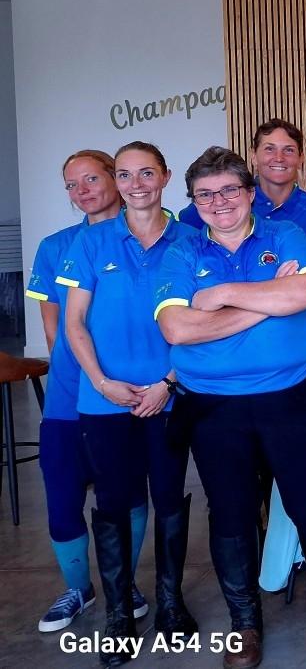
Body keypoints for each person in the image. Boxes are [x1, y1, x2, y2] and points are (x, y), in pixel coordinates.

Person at [156, 147, 306, 668]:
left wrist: (224, 296)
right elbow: (177, 328)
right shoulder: (182, 252)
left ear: (250, 193)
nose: (219, 202)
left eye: (230, 190)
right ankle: (244, 625)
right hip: (212, 409)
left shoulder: (284, 234)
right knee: (230, 515)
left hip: (289, 400)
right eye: (205, 195)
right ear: (194, 203)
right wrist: (268, 296)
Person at [59, 142, 200, 665]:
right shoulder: (92, 242)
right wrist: (100, 382)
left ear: (164, 176)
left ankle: (170, 604)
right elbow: (74, 322)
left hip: (170, 393)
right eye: (124, 174)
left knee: (169, 498)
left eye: (147, 172)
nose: (136, 183)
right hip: (106, 400)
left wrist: (168, 381)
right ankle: (118, 614)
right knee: (114, 504)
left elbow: (202, 322)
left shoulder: (192, 237)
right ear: (115, 181)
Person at [25, 150, 148, 635]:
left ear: (116, 180)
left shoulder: (148, 235)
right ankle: (78, 587)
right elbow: (57, 333)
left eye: (91, 179)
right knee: (61, 495)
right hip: (71, 396)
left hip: (133, 394)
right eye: (71, 185)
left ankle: (124, 583)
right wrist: (95, 379)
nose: (82, 191)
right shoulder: (55, 246)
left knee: (126, 494)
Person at [178, 118, 306, 266]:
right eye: (269, 149)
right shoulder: (220, 203)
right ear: (253, 156)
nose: (279, 158)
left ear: (301, 158)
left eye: (288, 150)